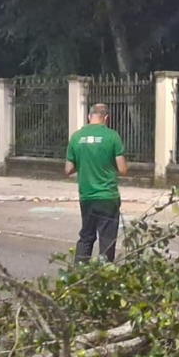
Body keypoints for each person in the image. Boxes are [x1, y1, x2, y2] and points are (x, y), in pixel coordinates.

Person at [65, 103, 128, 264]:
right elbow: (122, 169)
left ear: (89, 117)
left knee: (86, 236)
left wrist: (84, 162)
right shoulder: (112, 136)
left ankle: (78, 274)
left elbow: (68, 169)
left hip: (86, 196)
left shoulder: (76, 137)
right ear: (106, 118)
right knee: (107, 239)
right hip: (107, 196)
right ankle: (103, 276)